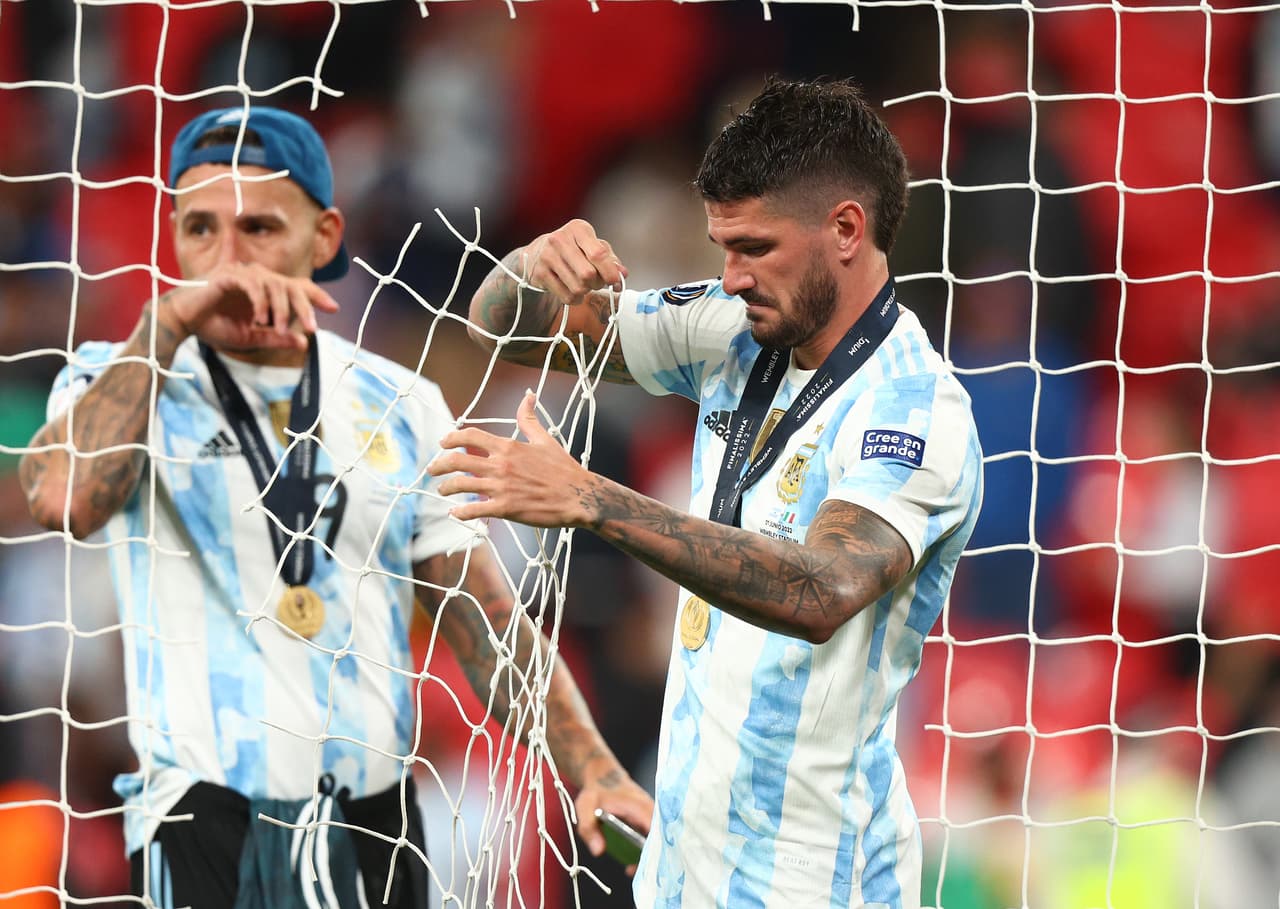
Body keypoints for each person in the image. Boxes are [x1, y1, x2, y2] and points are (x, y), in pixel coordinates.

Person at [17, 105, 651, 908]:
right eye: (200, 228)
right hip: (197, 818)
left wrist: (590, 766)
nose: (226, 257)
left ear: (323, 238)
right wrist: (163, 324)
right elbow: (65, 497)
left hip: (370, 824)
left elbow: (488, 624)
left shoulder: (400, 402)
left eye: (257, 227)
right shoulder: (118, 379)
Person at [431, 77, 985, 908]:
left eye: (754, 247)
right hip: (685, 862)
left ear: (845, 229)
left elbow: (822, 587)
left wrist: (591, 498)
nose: (729, 277)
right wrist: (533, 265)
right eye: (721, 246)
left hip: (817, 882)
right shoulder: (735, 332)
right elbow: (502, 327)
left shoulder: (912, 407)